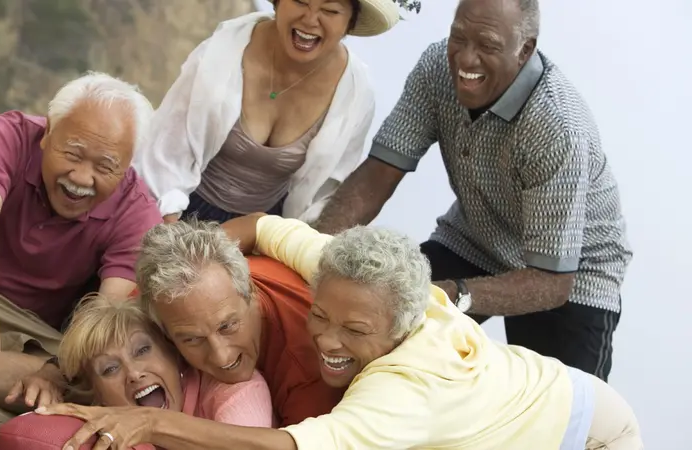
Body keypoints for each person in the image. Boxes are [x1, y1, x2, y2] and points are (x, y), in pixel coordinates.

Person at [36, 214, 643, 450]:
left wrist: (152, 421)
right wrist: (204, 260)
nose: (327, 339)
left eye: (354, 330)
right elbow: (265, 227)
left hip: (585, 433)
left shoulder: (401, 387)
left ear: (399, 325)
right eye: (321, 317)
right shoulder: (348, 274)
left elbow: (293, 448)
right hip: (537, 389)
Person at [312, 0, 632, 381]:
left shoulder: (557, 128)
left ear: (525, 49)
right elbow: (379, 173)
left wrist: (445, 295)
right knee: (385, 347)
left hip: (570, 276)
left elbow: (550, 282)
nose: (466, 58)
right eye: (458, 36)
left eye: (488, 45)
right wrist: (317, 255)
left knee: (558, 417)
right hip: (476, 238)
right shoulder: (436, 68)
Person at [0, 71, 162, 411]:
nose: (81, 178)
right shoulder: (9, 134)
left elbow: (104, 316)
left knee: (85, 371)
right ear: (48, 132)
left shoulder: (138, 214)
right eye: (73, 154)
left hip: (19, 339)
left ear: (127, 166)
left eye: (105, 166)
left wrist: (53, 373)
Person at [18, 218, 343, 427]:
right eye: (191, 339)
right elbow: (102, 341)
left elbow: (260, 223)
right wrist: (53, 369)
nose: (220, 357)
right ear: (169, 338)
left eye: (228, 326)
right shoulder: (162, 294)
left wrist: (154, 425)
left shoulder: (309, 373)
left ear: (250, 297)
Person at [133, 0, 403, 224]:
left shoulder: (355, 95)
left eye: (330, 10)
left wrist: (274, 245)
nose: (310, 19)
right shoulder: (223, 51)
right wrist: (170, 232)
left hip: (265, 233)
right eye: (300, 1)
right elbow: (165, 157)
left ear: (350, 23)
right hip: (174, 209)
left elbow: (323, 198)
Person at [0, 293, 273, 440]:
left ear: (174, 353)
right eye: (109, 369)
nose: (133, 373)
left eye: (142, 350)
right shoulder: (101, 415)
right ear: (98, 397)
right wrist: (46, 378)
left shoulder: (235, 390)